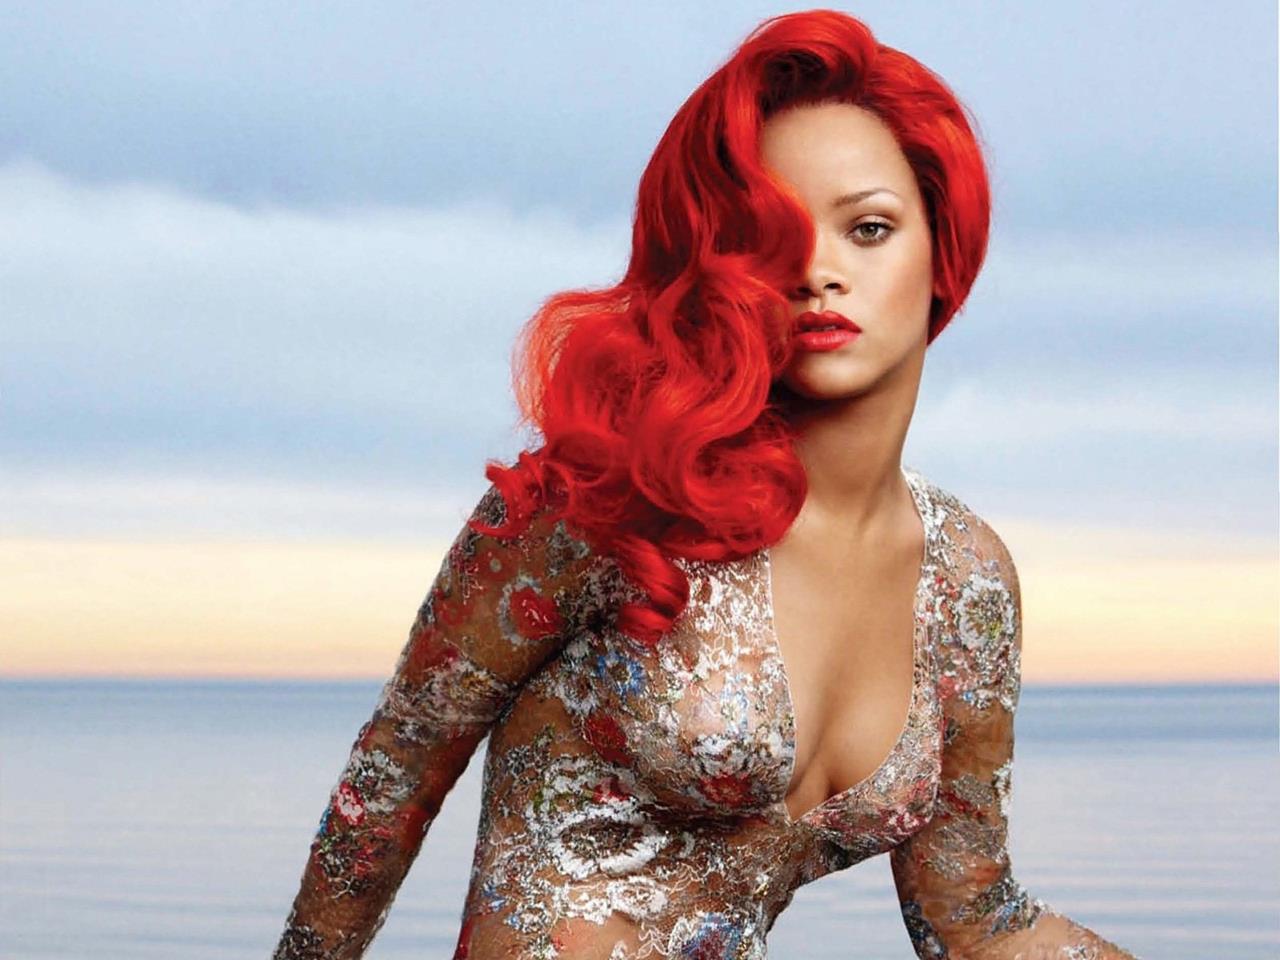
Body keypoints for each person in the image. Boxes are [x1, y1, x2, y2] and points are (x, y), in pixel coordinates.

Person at [273, 10, 1141, 959]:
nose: (818, 271)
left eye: (869, 229)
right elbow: (388, 785)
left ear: (943, 248)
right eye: (770, 237)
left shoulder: (968, 582)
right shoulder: (605, 493)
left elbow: (973, 921)